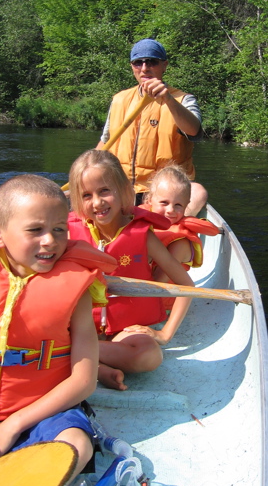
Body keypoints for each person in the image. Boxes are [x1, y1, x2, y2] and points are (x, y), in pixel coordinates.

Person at [0, 174, 117, 481]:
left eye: (59, 229)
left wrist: (12, 425)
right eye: (35, 230)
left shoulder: (76, 291)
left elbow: (84, 381)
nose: (50, 240)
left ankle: (17, 476)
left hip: (40, 413)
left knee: (76, 446)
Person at [68, 150, 195, 392]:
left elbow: (187, 286)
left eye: (104, 190)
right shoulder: (67, 234)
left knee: (149, 356)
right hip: (83, 327)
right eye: (87, 195)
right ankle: (95, 366)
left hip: (125, 332)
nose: (97, 202)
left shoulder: (142, 236)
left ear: (123, 190)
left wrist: (165, 334)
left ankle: (74, 357)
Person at [96, 38, 208, 216]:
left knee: (198, 192)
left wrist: (168, 101)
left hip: (164, 194)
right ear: (132, 66)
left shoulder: (183, 100)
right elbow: (106, 142)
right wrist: (85, 174)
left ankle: (167, 233)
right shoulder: (119, 99)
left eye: (152, 62)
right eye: (138, 62)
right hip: (123, 188)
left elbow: (194, 130)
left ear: (164, 65)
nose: (144, 67)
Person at [141, 165, 220, 309]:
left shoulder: (180, 243)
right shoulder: (139, 223)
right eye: (164, 202)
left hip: (159, 303)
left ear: (186, 206)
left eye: (178, 205)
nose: (170, 210)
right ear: (149, 199)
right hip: (137, 291)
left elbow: (158, 282)